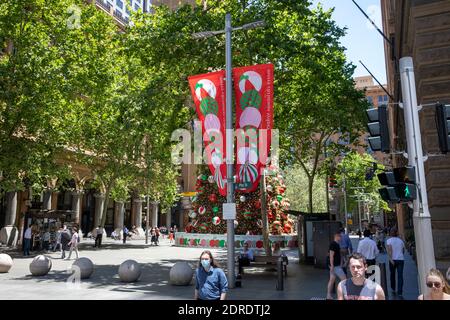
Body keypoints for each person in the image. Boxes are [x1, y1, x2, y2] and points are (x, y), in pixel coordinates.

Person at [327, 231, 347, 300]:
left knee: (332, 280)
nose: (341, 238)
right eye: (340, 236)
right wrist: (332, 265)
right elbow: (331, 255)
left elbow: (337, 255)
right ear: (336, 236)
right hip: (335, 266)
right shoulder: (333, 244)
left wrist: (340, 262)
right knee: (344, 280)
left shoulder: (337, 244)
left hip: (335, 266)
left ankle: (329, 295)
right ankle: (343, 296)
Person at [386, 228, 405, 297]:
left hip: (392, 260)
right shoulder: (401, 241)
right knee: (400, 276)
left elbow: (389, 251)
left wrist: (391, 259)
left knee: (392, 274)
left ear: (391, 233)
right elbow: (403, 251)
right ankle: (400, 291)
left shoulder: (388, 241)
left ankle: (393, 288)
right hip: (400, 259)